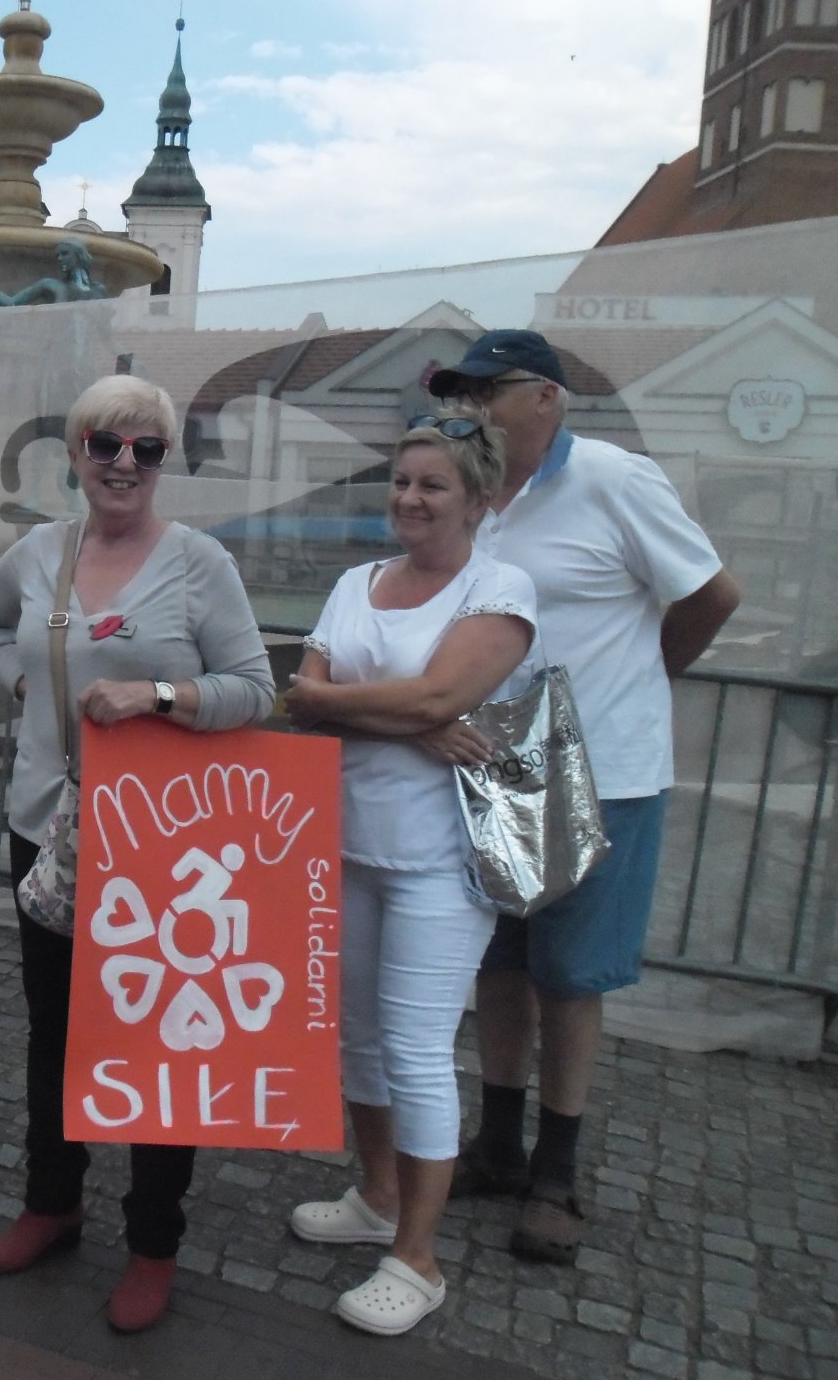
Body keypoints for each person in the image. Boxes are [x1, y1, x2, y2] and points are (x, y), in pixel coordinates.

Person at [0, 375, 274, 1334]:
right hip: (46, 828)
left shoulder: (200, 563)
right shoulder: (38, 553)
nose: (124, 464)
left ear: (165, 462)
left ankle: (153, 1243)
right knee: (54, 1028)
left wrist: (161, 698)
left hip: (160, 848)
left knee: (157, 1041)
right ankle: (52, 1202)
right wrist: (24, 680)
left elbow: (255, 688)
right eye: (106, 444)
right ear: (76, 455)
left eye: (147, 449)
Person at [424, 330, 740, 1264]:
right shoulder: (475, 492)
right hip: (499, 766)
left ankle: (556, 1174)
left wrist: (644, 679)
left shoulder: (613, 478)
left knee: (571, 976)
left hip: (603, 775)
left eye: (491, 390)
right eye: (464, 393)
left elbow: (712, 594)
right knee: (500, 967)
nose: (475, 408)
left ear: (547, 397)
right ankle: (498, 1145)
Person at [281, 415, 539, 1335]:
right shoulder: (355, 582)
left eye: (433, 485)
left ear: (477, 500)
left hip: (442, 861)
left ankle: (418, 1260)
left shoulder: (500, 588)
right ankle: (378, 1197)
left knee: (417, 1050)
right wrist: (412, 722)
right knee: (355, 1038)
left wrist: (386, 708)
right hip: (346, 845)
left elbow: (439, 694)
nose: (410, 499)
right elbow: (302, 699)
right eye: (401, 481)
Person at [0, 238, 109, 308]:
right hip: (56, 350)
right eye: (58, 255)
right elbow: (11, 303)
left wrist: (123, 356)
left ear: (79, 255)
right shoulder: (51, 285)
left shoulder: (99, 291)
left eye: (65, 254)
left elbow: (107, 333)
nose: (59, 259)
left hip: (86, 355)